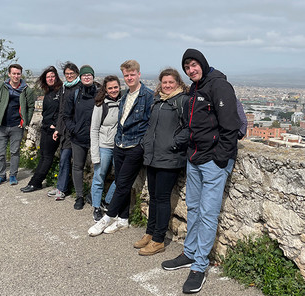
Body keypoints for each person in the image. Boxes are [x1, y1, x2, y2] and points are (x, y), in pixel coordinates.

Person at [161, 49, 240, 294]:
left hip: (212, 161)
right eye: (187, 67)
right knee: (193, 208)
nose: (191, 70)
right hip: (194, 158)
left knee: (207, 212)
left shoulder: (219, 86)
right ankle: (190, 252)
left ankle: (200, 266)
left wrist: (219, 158)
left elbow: (230, 126)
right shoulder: (195, 89)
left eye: (194, 65)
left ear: (202, 64)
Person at [88, 60, 153, 236]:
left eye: (132, 74)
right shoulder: (125, 96)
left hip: (134, 146)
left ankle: (107, 218)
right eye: (126, 75)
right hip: (119, 144)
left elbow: (150, 124)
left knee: (122, 183)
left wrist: (141, 145)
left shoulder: (147, 96)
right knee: (121, 181)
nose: (129, 77)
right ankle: (123, 219)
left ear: (139, 74)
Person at [134, 68, 189, 256]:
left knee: (163, 198)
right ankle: (150, 233)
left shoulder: (182, 101)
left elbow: (190, 128)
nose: (167, 85)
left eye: (170, 83)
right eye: (164, 83)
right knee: (154, 197)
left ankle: (158, 240)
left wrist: (173, 144)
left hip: (170, 158)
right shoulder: (158, 100)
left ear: (177, 83)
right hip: (153, 156)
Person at [0, 64, 36, 186]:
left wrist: (25, 121)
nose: (16, 76)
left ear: (21, 74)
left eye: (18, 74)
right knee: (0, 153)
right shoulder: (1, 86)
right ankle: (1, 176)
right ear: (9, 74)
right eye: (14, 73)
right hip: (1, 125)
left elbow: (31, 106)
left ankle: (13, 176)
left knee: (15, 152)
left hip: (17, 125)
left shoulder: (26, 89)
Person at [20, 66, 63, 193]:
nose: (50, 78)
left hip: (53, 130)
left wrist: (55, 125)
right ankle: (35, 182)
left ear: (56, 77)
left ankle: (35, 182)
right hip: (45, 127)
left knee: (47, 157)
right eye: (48, 77)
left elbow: (62, 110)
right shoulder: (49, 92)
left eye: (52, 76)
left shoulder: (60, 92)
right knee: (43, 155)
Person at [63, 65, 100, 210]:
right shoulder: (75, 93)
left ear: (93, 77)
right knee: (77, 167)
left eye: (89, 75)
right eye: (84, 75)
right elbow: (66, 115)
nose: (86, 77)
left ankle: (94, 195)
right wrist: (74, 129)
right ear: (81, 77)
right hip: (78, 137)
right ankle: (79, 196)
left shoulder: (99, 93)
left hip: (95, 137)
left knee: (97, 167)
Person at [90, 75, 121, 221]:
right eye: (110, 88)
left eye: (116, 87)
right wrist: (95, 153)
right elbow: (94, 129)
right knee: (99, 177)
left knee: (121, 177)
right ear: (105, 89)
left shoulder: (124, 102)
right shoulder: (100, 105)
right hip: (104, 146)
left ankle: (107, 201)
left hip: (120, 146)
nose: (114, 90)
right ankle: (96, 207)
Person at [48, 62, 80, 201]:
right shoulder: (64, 88)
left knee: (75, 162)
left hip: (77, 131)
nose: (69, 76)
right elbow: (61, 111)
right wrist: (58, 129)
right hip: (66, 131)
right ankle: (61, 188)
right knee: (64, 159)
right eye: (67, 74)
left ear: (76, 74)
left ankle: (74, 191)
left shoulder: (81, 88)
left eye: (71, 74)